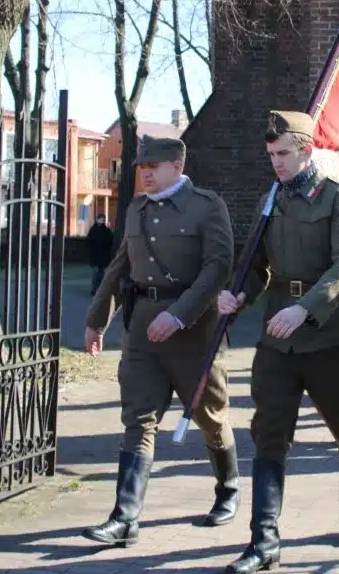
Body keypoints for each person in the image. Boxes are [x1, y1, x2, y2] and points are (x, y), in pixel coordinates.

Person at [217, 110, 339, 573]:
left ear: (306, 150)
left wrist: (305, 308)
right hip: (278, 335)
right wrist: (239, 294)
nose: (277, 163)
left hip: (331, 333)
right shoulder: (271, 200)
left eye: (284, 153)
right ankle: (264, 541)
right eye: (271, 155)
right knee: (269, 432)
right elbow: (257, 264)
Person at [81, 136, 239, 547]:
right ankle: (124, 518)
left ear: (177, 165)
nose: (146, 173)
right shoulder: (136, 209)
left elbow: (218, 267)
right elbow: (120, 267)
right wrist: (97, 320)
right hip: (142, 331)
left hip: (194, 330)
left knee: (210, 415)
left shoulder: (207, 206)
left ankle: (228, 489)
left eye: (154, 166)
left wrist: (180, 314)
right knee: (138, 418)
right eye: (142, 167)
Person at [87, 214, 115, 295]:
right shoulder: (96, 230)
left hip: (100, 256)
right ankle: (96, 290)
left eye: (102, 219)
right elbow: (89, 242)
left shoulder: (103, 230)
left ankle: (98, 290)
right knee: (97, 274)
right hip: (99, 256)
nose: (101, 220)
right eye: (100, 219)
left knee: (100, 274)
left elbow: (110, 242)